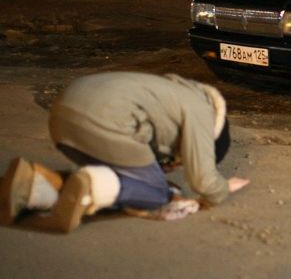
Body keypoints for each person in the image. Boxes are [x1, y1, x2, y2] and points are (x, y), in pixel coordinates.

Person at [0, 72, 249, 233]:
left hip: (61, 117)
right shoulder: (200, 110)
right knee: (156, 192)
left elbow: (150, 131)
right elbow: (202, 179)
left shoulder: (173, 90)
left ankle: (35, 185)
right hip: (106, 121)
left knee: (119, 176)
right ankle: (92, 187)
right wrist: (220, 190)